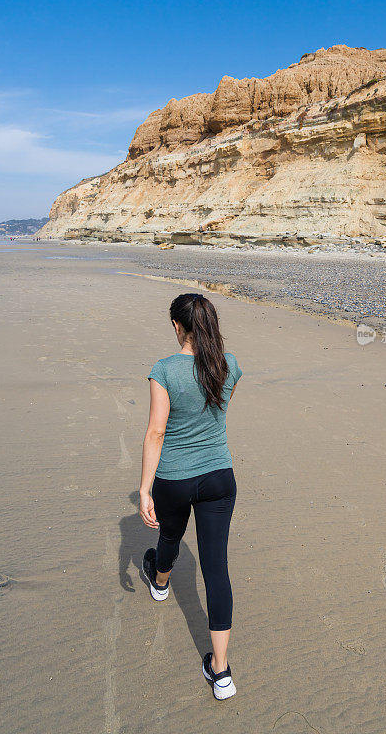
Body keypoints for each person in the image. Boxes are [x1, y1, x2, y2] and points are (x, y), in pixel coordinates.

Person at [139, 293, 242, 700]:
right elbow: (219, 410)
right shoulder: (228, 364)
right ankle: (221, 672)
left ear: (178, 327)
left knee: (168, 537)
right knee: (216, 568)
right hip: (219, 477)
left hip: (175, 478)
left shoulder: (163, 370)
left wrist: (145, 488)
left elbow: (156, 432)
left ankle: (160, 581)